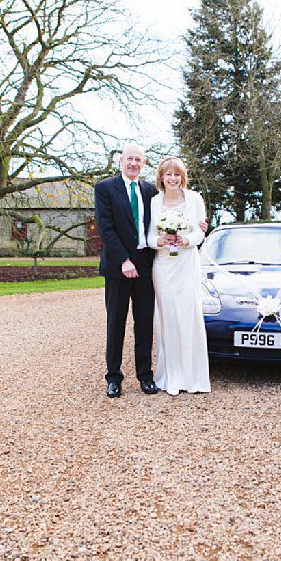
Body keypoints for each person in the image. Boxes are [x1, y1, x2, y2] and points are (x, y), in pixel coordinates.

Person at [94, 144, 207, 398]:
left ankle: (145, 376)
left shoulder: (149, 191)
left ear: (143, 164)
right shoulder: (104, 188)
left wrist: (196, 228)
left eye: (138, 160)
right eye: (129, 159)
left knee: (145, 323)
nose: (133, 163)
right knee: (116, 324)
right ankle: (114, 378)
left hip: (146, 266)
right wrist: (124, 260)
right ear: (121, 161)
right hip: (117, 267)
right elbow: (106, 228)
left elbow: (158, 224)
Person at [147, 157, 210, 395]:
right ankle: (169, 376)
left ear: (182, 177)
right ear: (161, 178)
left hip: (186, 263)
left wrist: (187, 240)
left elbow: (200, 233)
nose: (172, 179)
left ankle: (193, 377)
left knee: (188, 314)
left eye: (176, 174)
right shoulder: (154, 202)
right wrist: (159, 241)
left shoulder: (194, 199)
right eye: (168, 174)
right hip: (163, 265)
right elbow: (149, 236)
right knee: (167, 318)